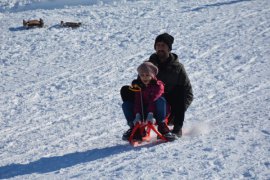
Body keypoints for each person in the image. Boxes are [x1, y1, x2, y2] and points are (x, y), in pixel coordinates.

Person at [148, 33, 193, 137]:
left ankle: (177, 128)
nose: (160, 48)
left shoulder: (178, 68)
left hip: (171, 108)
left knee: (179, 90)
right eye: (158, 45)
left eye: (163, 45)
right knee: (127, 90)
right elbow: (141, 85)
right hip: (152, 105)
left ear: (169, 48)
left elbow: (189, 93)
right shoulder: (149, 66)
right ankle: (136, 127)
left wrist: (179, 112)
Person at [121, 62, 176, 141]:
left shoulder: (158, 85)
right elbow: (138, 102)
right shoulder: (139, 87)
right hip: (145, 112)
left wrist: (151, 114)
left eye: (147, 75)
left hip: (158, 112)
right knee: (126, 105)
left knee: (160, 100)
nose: (145, 78)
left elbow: (153, 100)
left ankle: (162, 126)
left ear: (152, 75)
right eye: (142, 75)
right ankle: (135, 128)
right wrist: (137, 115)